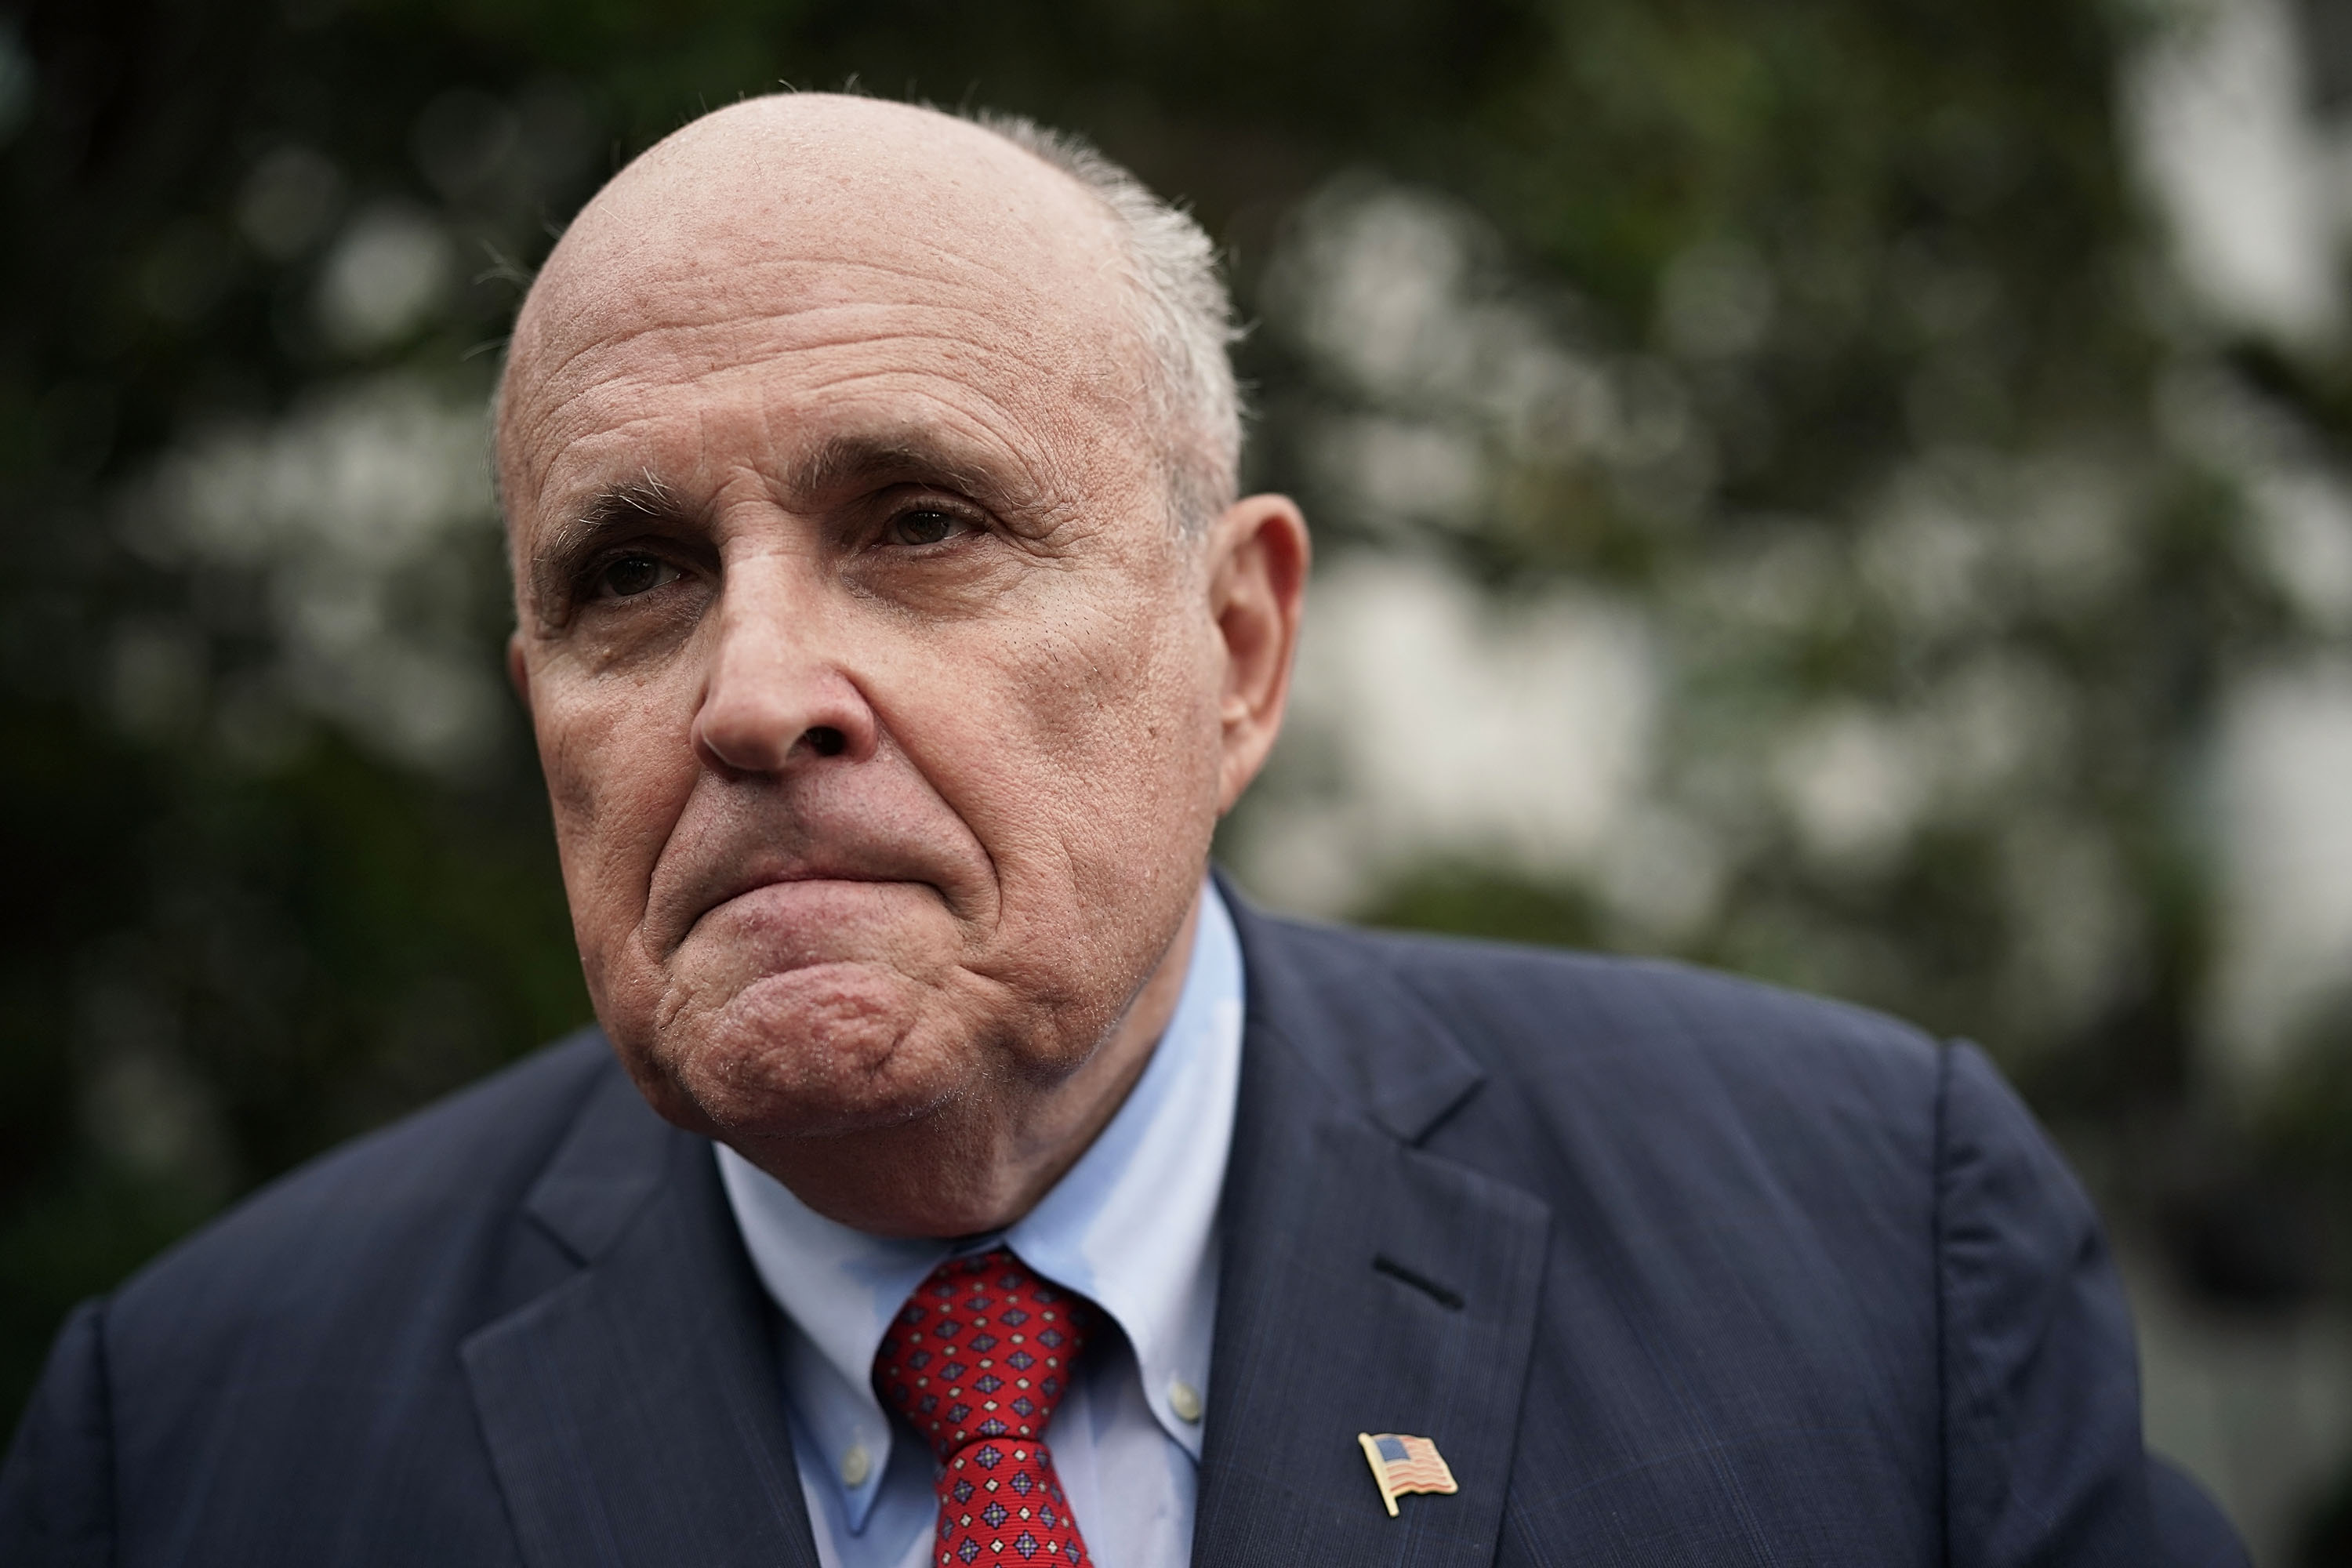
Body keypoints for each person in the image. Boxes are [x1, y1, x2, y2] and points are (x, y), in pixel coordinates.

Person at [1, 93, 2245, 1567]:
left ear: (1239, 644)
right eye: (630, 577)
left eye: (923, 523)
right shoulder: (195, 1448)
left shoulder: (1861, 1260)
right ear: (541, 716)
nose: (757, 688)